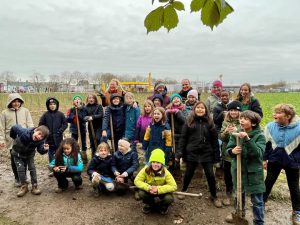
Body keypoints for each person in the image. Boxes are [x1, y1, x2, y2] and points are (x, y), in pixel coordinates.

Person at [176, 101, 222, 207]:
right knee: (188, 173)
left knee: (210, 175)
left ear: (206, 110)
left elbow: (215, 141)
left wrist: (217, 157)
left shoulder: (210, 123)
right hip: (192, 152)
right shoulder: (189, 122)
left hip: (207, 153)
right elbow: (183, 139)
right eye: (198, 108)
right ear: (194, 109)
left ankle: (214, 196)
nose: (200, 109)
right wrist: (179, 153)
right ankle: (184, 189)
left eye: (202, 108)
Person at [225, 110, 266, 224]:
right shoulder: (236, 133)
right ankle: (239, 215)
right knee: (238, 194)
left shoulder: (260, 136)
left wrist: (248, 140)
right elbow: (228, 150)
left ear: (253, 123)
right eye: (241, 118)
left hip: (254, 173)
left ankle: (258, 221)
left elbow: (258, 154)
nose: (241, 120)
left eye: (246, 119)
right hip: (238, 169)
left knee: (257, 200)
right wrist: (232, 151)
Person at [263, 104, 300, 225]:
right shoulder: (270, 127)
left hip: (292, 162)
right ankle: (261, 204)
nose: (274, 115)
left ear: (288, 116)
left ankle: (297, 212)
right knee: (268, 182)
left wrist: (297, 159)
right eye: (275, 112)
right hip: (274, 160)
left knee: (294, 187)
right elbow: (267, 145)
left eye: (278, 113)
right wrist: (264, 159)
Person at [0, 93, 34, 187]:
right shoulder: (4, 113)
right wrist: (1, 140)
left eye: (18, 101)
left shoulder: (25, 111)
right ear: (10, 102)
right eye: (14, 101)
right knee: (14, 160)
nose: (16, 103)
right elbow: (1, 128)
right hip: (11, 141)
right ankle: (17, 178)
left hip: (24, 140)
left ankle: (23, 177)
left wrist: (31, 136)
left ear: (21, 102)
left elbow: (30, 124)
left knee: (24, 159)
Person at [10, 124, 50, 197]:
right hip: (17, 153)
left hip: (29, 155)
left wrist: (44, 149)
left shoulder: (40, 141)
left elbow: (40, 150)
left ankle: (34, 186)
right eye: (39, 134)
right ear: (35, 130)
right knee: (20, 169)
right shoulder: (24, 132)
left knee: (32, 168)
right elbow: (14, 127)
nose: (39, 137)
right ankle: (24, 187)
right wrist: (13, 136)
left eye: (41, 137)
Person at [134, 148, 177, 214]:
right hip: (149, 190)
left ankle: (162, 206)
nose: (155, 164)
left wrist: (158, 189)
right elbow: (137, 181)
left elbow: (174, 186)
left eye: (158, 162)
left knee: (169, 198)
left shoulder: (166, 172)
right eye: (153, 162)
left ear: (162, 164)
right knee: (141, 193)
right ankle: (150, 204)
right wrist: (148, 187)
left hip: (162, 191)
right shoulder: (146, 169)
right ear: (150, 162)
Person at [219, 101, 241, 206]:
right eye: (231, 110)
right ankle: (228, 191)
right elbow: (222, 138)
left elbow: (245, 136)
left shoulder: (243, 121)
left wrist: (237, 131)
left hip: (239, 152)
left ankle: (238, 192)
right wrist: (226, 132)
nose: (233, 112)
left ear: (239, 112)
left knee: (237, 172)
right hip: (227, 152)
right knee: (227, 173)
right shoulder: (225, 122)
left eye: (236, 110)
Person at [39, 97, 67, 177]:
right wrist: (46, 133)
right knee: (51, 154)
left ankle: (61, 167)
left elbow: (65, 124)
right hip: (49, 139)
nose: (52, 106)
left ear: (57, 105)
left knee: (60, 153)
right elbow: (41, 125)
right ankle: (52, 169)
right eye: (50, 104)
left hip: (58, 138)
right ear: (48, 105)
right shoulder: (45, 115)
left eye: (54, 104)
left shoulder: (60, 114)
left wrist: (60, 130)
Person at [165, 93, 188, 168]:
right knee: (173, 150)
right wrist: (167, 113)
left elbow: (185, 121)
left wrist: (178, 113)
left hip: (181, 133)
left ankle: (182, 162)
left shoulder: (183, 109)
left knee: (180, 149)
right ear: (171, 101)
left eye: (177, 98)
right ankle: (174, 165)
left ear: (180, 100)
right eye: (174, 99)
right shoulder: (168, 109)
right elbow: (166, 122)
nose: (176, 100)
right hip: (172, 133)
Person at [66, 94, 88, 163]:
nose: (77, 100)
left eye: (79, 99)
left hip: (82, 128)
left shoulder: (84, 108)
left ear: (81, 101)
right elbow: (68, 119)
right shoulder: (71, 109)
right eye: (76, 99)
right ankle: (76, 156)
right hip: (74, 129)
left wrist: (78, 110)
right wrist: (73, 116)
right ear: (73, 101)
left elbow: (83, 118)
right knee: (74, 143)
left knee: (83, 143)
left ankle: (84, 157)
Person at [135, 100, 154, 166]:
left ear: (152, 107)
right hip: (142, 140)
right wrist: (136, 140)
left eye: (149, 106)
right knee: (142, 157)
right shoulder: (141, 117)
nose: (147, 108)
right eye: (145, 106)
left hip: (151, 141)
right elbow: (137, 128)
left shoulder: (154, 117)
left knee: (150, 157)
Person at [84, 93, 104, 157]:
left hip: (99, 126)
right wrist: (87, 118)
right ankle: (94, 156)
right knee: (92, 141)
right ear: (87, 99)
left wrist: (92, 117)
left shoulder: (99, 106)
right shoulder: (86, 107)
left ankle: (100, 153)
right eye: (89, 98)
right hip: (91, 126)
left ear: (95, 99)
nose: (91, 99)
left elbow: (101, 115)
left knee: (98, 139)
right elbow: (84, 116)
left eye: (92, 98)